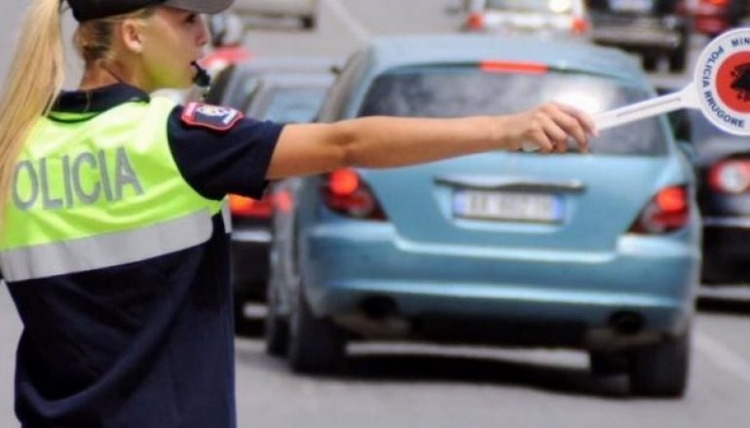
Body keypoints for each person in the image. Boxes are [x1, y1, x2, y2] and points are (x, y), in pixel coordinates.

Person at [0, 0, 596, 426]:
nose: (203, 36)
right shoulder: (172, 139)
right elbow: (345, 145)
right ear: (133, 34)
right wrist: (504, 127)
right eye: (187, 20)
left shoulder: (16, 151)